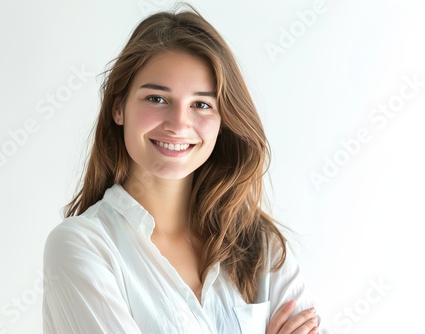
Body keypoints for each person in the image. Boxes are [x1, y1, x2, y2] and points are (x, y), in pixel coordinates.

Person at [43, 4, 327, 334]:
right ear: (118, 107)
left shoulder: (261, 246)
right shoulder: (82, 246)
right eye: (156, 99)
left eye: (201, 104)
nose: (179, 124)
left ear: (224, 121)